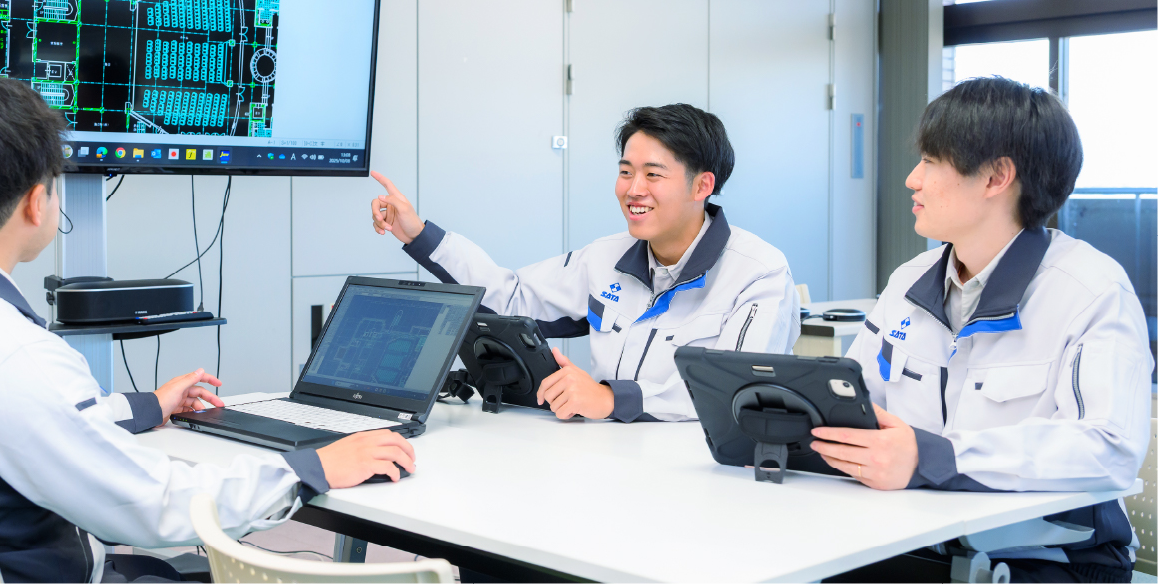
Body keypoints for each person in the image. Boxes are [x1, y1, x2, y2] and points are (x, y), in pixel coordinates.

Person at [0, 77, 415, 583]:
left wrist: (147, 405)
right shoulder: (10, 354)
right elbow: (149, 507)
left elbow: (16, 421)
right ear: (36, 202)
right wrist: (312, 468)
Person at [810, 77, 1151, 583]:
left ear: (996, 177)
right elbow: (852, 398)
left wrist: (935, 458)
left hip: (1051, 558)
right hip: (913, 539)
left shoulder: (1091, 289)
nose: (912, 179)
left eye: (931, 161)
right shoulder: (908, 282)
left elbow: (1109, 447)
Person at [371, 103, 800, 423]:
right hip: (608, 459)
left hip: (705, 474)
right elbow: (512, 297)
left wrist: (613, 399)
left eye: (653, 174)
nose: (633, 189)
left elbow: (736, 388)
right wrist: (417, 232)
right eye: (626, 171)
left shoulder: (758, 272)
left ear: (701, 186)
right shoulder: (606, 256)